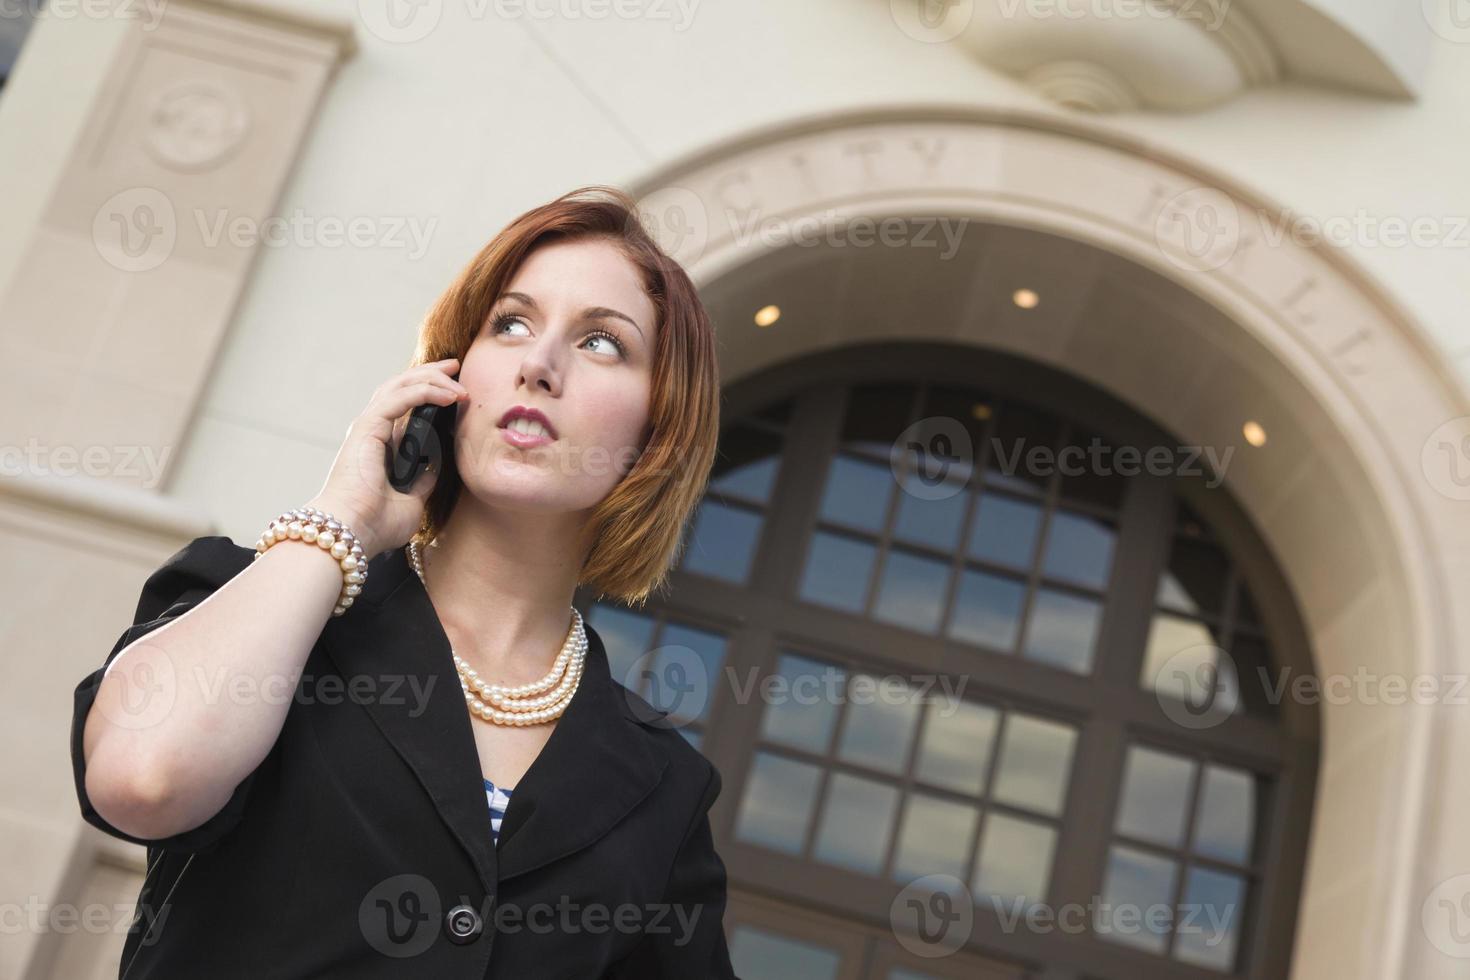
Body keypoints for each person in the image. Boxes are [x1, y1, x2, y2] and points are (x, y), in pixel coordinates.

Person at [70, 185, 738, 978]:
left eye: (601, 343)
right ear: (448, 379)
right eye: (511, 323)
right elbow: (142, 781)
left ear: (656, 432)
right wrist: (343, 518)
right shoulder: (262, 606)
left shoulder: (662, 791)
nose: (539, 364)